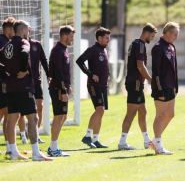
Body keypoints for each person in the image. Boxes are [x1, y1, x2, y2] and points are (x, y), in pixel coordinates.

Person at [0, 20, 51, 161]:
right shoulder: (24, 42)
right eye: (28, 30)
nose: (29, 33)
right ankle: (36, 153)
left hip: (10, 88)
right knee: (32, 118)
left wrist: (7, 73)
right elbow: (24, 53)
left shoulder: (7, 45)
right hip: (24, 87)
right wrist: (23, 70)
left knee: (12, 119)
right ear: (23, 30)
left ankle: (13, 151)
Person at [118, 23, 157, 150]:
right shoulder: (140, 45)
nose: (151, 39)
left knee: (142, 111)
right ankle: (122, 142)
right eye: (151, 36)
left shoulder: (135, 43)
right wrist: (150, 79)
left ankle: (147, 141)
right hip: (135, 83)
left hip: (136, 83)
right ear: (146, 33)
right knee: (131, 113)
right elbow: (140, 65)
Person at [76, 27, 110, 149]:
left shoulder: (103, 50)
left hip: (103, 85)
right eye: (106, 38)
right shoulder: (93, 49)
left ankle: (95, 140)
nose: (108, 40)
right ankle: (87, 136)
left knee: (101, 112)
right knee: (99, 110)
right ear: (99, 38)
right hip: (94, 85)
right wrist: (91, 74)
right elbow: (79, 61)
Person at [149, 22, 179, 155]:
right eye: (174, 34)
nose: (176, 37)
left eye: (177, 34)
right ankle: (158, 145)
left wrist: (176, 86)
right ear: (166, 32)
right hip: (160, 87)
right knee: (160, 115)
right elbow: (155, 72)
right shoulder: (158, 47)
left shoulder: (171, 47)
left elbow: (174, 69)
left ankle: (155, 140)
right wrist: (159, 89)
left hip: (171, 86)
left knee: (170, 114)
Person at [47, 25, 75, 157]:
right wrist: (63, 89)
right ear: (64, 35)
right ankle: (53, 149)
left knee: (63, 117)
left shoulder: (63, 49)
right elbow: (57, 72)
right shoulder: (57, 50)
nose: (72, 38)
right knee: (58, 116)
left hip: (62, 88)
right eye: (71, 36)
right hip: (58, 88)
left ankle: (54, 146)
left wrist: (68, 87)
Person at [0, 16, 15, 155]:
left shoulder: (7, 41)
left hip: (4, 81)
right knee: (7, 114)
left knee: (5, 115)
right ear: (8, 29)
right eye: (13, 29)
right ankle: (9, 148)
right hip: (2, 82)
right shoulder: (2, 41)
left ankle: (8, 148)